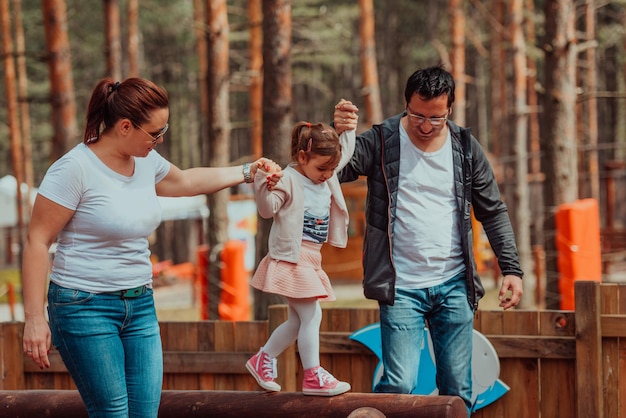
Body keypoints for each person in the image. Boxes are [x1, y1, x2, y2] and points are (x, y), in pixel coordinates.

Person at [21, 77, 282, 418]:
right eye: (155, 133)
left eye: (165, 130)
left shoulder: (146, 162)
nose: (160, 140)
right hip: (84, 306)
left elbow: (186, 181)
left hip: (140, 305)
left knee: (145, 412)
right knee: (113, 412)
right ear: (125, 126)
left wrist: (248, 171)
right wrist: (34, 319)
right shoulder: (74, 170)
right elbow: (37, 241)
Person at [335, 66, 523, 415]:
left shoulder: (465, 148)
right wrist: (340, 134)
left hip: (454, 284)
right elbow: (336, 168)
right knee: (399, 384)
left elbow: (493, 211)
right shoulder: (381, 140)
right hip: (401, 285)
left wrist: (512, 269)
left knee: (457, 389)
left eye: (435, 118)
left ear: (449, 109)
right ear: (406, 103)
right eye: (417, 115)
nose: (425, 126)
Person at [246, 103, 358, 397]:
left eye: (332, 168)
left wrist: (348, 129)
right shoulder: (289, 179)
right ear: (302, 156)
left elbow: (344, 153)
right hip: (291, 258)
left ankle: (263, 358)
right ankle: (312, 375)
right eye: (322, 168)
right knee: (312, 316)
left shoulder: (326, 172)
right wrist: (262, 183)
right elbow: (268, 211)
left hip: (311, 258)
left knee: (299, 319)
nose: (328, 174)